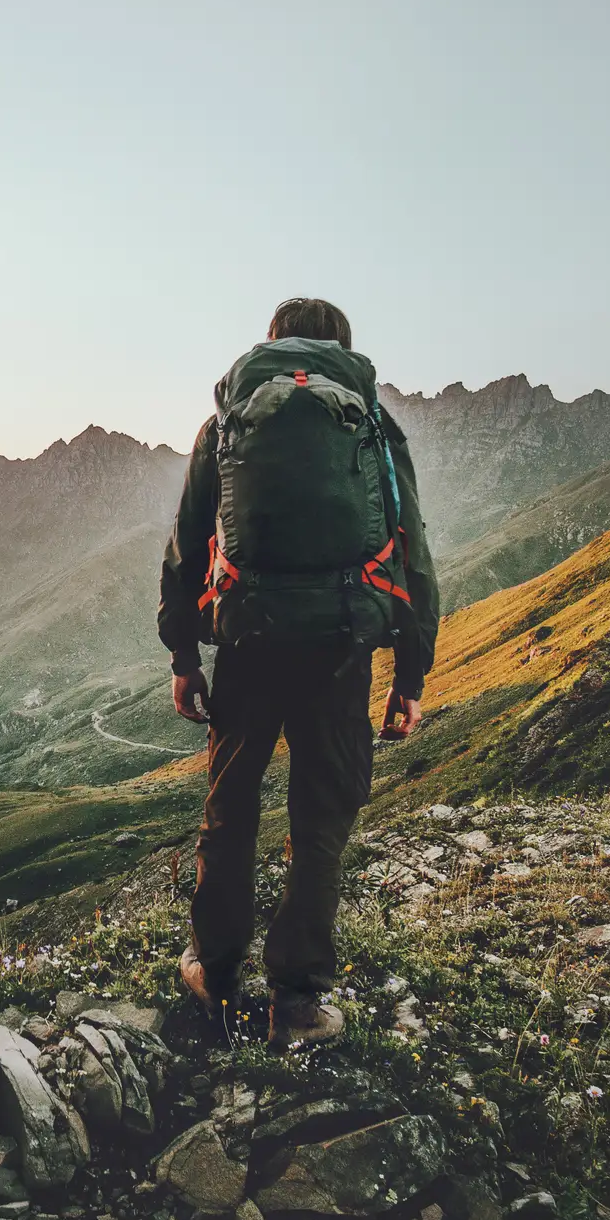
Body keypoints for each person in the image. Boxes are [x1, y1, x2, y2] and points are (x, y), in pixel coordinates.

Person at [157, 297, 439, 1046]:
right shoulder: (374, 426)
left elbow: (187, 547)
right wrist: (411, 676)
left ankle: (214, 975)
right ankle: (298, 1003)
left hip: (249, 643)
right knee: (319, 824)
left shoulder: (226, 424)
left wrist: (184, 658)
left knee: (230, 812)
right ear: (344, 348)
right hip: (341, 650)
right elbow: (412, 550)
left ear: (270, 344)